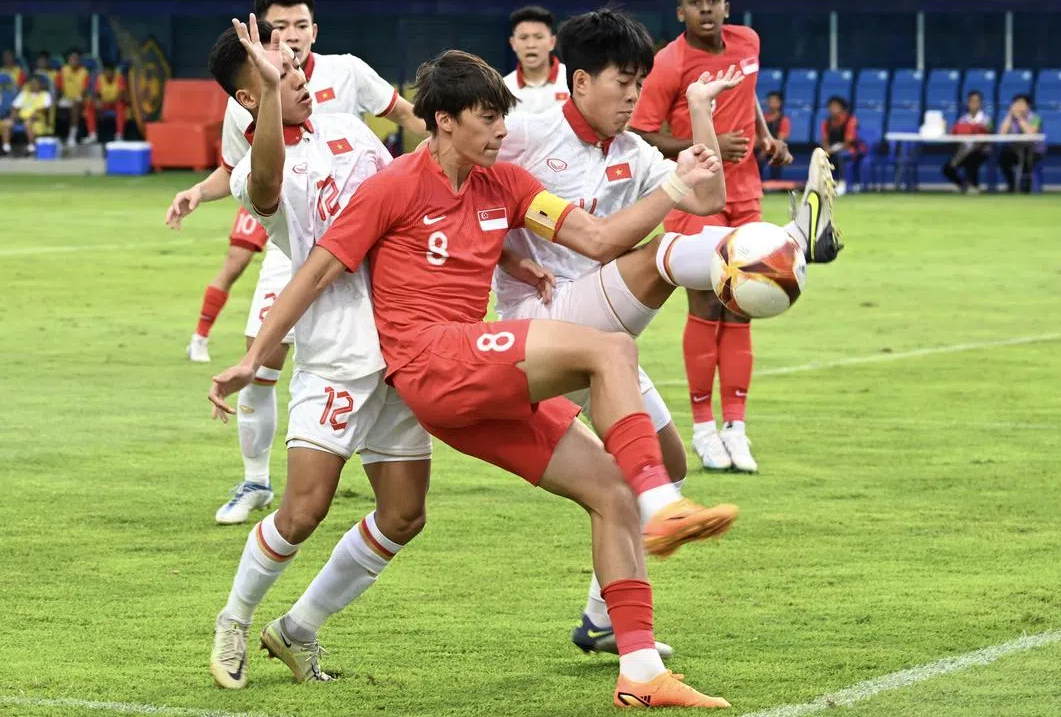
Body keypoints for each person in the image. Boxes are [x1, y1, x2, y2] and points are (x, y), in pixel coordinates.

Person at [209, 48, 739, 708]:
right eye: (487, 120)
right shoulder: (395, 184)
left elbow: (600, 240)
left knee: (609, 493)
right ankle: (666, 507)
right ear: (443, 121)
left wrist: (676, 189)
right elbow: (315, 270)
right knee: (609, 351)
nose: (498, 132)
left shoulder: (507, 185)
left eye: (501, 119)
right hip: (427, 361)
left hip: (467, 372)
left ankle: (639, 671)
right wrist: (254, 355)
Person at [494, 8, 841, 655]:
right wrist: (505, 255)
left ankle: (601, 619)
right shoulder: (524, 133)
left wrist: (701, 108)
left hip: (600, 335)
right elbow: (468, 186)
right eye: (620, 82)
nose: (631, 96)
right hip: (533, 329)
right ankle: (793, 239)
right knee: (662, 254)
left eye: (638, 82)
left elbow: (706, 199)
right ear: (576, 82)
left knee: (664, 466)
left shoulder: (629, 149)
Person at [204, 17, 435, 690]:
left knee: (404, 513)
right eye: (278, 76)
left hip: (403, 347)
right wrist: (274, 98)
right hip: (335, 354)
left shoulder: (349, 130)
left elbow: (406, 200)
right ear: (250, 99)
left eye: (298, 67)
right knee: (304, 508)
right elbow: (271, 183)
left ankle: (297, 630)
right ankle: (236, 618)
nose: (300, 77)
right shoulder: (256, 170)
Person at [164, 0, 427, 526]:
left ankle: (368, 461)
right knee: (262, 365)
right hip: (294, 248)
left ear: (315, 28)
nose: (293, 37)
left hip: (366, 249)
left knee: (386, 363)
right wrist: (197, 191)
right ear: (261, 31)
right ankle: (256, 479)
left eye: (300, 25)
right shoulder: (250, 104)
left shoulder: (347, 74)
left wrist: (438, 151)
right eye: (280, 27)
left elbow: (404, 115)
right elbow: (248, 175)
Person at [630, 0, 793, 474]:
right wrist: (711, 145)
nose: (706, 8)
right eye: (696, 1)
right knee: (706, 301)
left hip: (746, 193)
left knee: (746, 301)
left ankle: (736, 429)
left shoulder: (748, 42)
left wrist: (764, 135)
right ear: (681, 12)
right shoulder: (668, 63)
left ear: (727, 5)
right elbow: (643, 132)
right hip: (698, 195)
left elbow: (746, 91)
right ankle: (703, 430)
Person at [502, 5, 570, 114]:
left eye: (538, 37)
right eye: (523, 38)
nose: (531, 45)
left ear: (552, 42)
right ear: (513, 43)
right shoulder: (503, 88)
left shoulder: (573, 81)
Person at [942, 90, 992, 194]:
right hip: (963, 150)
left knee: (972, 158)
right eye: (971, 101)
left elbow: (988, 134)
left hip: (981, 151)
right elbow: (955, 135)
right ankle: (964, 186)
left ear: (981, 103)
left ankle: (974, 185)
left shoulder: (987, 119)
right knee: (947, 169)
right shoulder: (963, 119)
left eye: (976, 101)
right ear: (968, 103)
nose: (974, 104)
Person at [998, 93, 1042, 194]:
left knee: (1026, 156)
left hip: (1033, 150)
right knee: (1003, 157)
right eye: (1016, 104)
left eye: (1021, 103)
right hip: (1015, 149)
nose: (1018, 106)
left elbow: (1031, 133)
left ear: (1028, 106)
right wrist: (1009, 115)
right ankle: (1012, 185)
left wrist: (1019, 118)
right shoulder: (1010, 118)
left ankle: (1026, 188)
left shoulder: (1034, 117)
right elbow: (1002, 133)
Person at [820, 95, 863, 195]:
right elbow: (824, 139)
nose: (832, 109)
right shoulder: (826, 122)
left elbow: (849, 140)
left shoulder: (850, 120)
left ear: (842, 108)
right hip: (831, 149)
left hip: (850, 149)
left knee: (840, 156)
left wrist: (833, 149)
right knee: (820, 156)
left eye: (835, 107)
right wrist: (826, 151)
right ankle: (825, 184)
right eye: (831, 107)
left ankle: (842, 183)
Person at [0, 74, 52, 155]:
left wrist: (32, 116)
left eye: (35, 83)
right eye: (31, 83)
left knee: (28, 123)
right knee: (7, 123)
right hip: (20, 119)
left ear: (40, 84)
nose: (33, 85)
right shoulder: (24, 94)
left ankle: (31, 147)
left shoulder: (45, 95)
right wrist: (14, 115)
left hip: (37, 119)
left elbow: (45, 108)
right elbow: (14, 107)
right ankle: (6, 148)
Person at [84, 65, 129, 143]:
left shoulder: (119, 78)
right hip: (105, 103)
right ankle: (92, 134)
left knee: (120, 106)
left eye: (110, 72)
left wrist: (111, 101)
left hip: (115, 103)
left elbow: (121, 95)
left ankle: (119, 135)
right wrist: (97, 101)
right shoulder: (100, 78)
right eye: (106, 72)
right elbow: (97, 94)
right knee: (89, 105)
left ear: (113, 72)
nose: (108, 74)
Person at [58, 49, 90, 147]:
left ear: (79, 60)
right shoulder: (63, 70)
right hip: (66, 98)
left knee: (75, 105)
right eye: (72, 59)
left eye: (76, 59)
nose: (73, 61)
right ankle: (57, 136)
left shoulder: (84, 72)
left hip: (80, 99)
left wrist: (78, 98)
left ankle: (72, 136)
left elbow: (85, 91)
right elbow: (59, 87)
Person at [762, 90, 791, 180]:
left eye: (775, 101)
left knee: (778, 153)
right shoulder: (762, 118)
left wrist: (766, 151)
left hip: (775, 147)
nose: (771, 103)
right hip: (761, 146)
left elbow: (781, 138)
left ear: (780, 103)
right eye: (770, 101)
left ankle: (775, 182)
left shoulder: (784, 119)